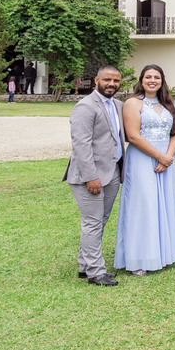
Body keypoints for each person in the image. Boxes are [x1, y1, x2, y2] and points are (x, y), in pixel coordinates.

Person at [115, 64, 175, 275]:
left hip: (166, 160)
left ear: (162, 81)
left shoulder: (168, 104)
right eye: (148, 77)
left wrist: (168, 156)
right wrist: (159, 156)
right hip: (143, 159)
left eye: (157, 77)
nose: (152, 80)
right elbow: (133, 136)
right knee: (144, 204)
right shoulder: (133, 103)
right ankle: (139, 258)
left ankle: (162, 252)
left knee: (164, 203)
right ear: (141, 80)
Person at [63, 65, 125, 286]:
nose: (112, 84)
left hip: (113, 172)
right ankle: (96, 272)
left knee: (101, 220)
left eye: (116, 81)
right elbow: (81, 144)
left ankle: (85, 265)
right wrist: (91, 176)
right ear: (97, 80)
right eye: (107, 80)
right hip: (89, 176)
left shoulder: (118, 105)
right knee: (92, 222)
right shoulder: (85, 107)